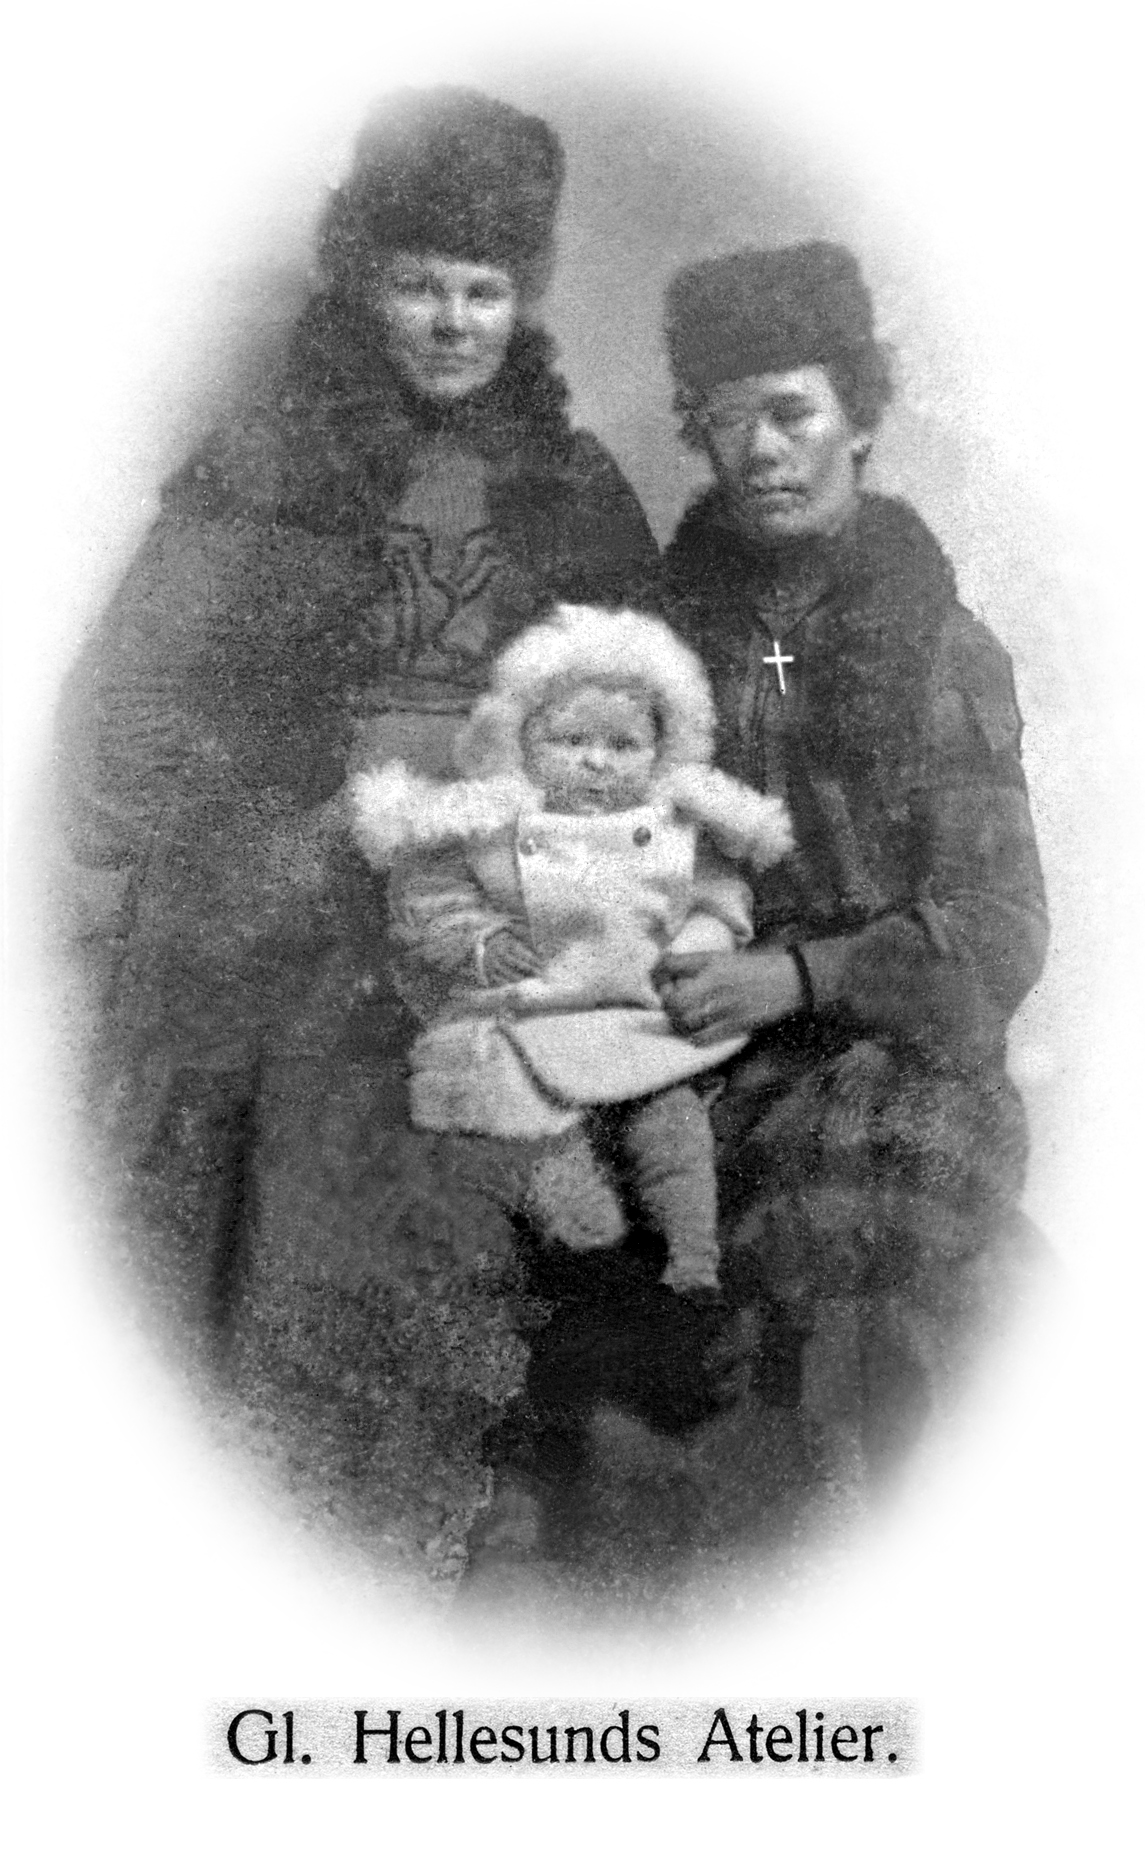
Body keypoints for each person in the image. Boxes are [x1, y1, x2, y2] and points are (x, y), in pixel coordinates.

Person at [56, 88, 660, 1585]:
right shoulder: (262, 465)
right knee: (249, 1208)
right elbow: (124, 719)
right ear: (360, 277)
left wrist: (526, 847)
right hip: (272, 905)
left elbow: (650, 723)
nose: (452, 321)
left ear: (523, 297)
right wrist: (287, 825)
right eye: (417, 282)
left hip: (489, 914)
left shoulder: (574, 491)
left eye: (485, 288)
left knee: (448, 1200)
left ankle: (402, 1541)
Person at [652, 241, 1049, 1501]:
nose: (761, 451)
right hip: (691, 1047)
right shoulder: (658, 638)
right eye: (728, 420)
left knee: (863, 1215)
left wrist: (802, 977)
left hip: (898, 1048)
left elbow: (997, 926)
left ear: (859, 420)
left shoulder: (938, 645)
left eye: (792, 413)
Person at [351, 603, 794, 1292]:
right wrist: (481, 939)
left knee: (671, 1121)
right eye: (571, 740)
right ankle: (572, 1202)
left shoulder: (677, 827)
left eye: (623, 745)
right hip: (527, 1010)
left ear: (661, 749)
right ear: (522, 740)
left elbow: (718, 900)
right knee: (515, 1111)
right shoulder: (494, 824)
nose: (596, 761)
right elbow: (429, 900)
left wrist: (698, 946)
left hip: (639, 1009)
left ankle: (692, 1250)